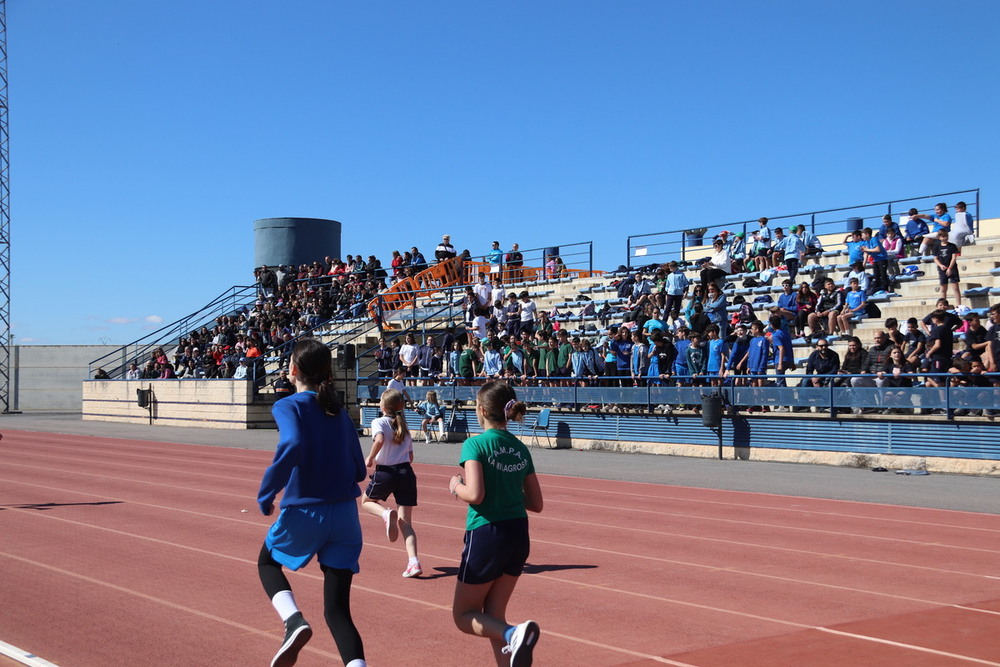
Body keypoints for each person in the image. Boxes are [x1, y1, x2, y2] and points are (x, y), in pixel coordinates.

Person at [256, 339, 368, 667]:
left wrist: (267, 491)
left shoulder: (288, 405)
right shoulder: (339, 412)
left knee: (267, 563)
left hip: (307, 511)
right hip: (346, 516)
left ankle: (293, 621)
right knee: (337, 611)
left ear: (292, 371)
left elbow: (291, 442)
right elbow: (360, 469)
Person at [448, 380, 544, 666]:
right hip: (518, 534)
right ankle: (512, 638)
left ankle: (514, 633)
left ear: (480, 410)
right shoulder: (520, 448)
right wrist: (508, 490)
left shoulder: (474, 444)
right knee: (493, 615)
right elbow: (536, 503)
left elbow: (475, 495)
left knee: (463, 616)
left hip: (487, 533)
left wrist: (455, 486)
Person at [361, 388, 423, 578]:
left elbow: (379, 439)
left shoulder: (379, 421)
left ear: (384, 405)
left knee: (366, 502)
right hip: (406, 473)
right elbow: (411, 457)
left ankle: (386, 514)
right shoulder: (403, 426)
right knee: (406, 523)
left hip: (386, 472)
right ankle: (414, 562)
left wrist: (370, 457)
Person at [931, 229, 962, 306]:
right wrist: (940, 265)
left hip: (952, 268)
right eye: (943, 236)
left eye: (946, 236)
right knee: (943, 288)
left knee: (955, 287)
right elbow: (935, 258)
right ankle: (943, 304)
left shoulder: (952, 246)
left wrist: (950, 268)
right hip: (942, 269)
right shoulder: (936, 247)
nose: (945, 238)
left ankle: (958, 305)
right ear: (939, 237)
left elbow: (954, 258)